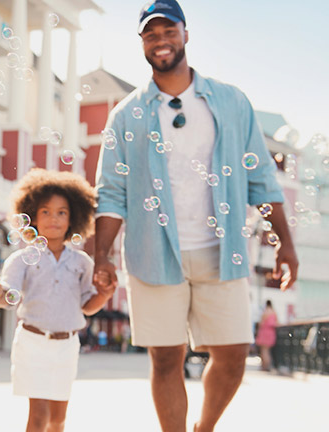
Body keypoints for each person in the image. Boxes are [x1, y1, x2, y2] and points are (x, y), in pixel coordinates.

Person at [94, 1, 299, 431]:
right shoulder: (125, 115)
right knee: (165, 357)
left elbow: (261, 177)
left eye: (169, 31)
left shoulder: (229, 101)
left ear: (186, 34)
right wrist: (101, 257)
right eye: (151, 34)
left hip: (220, 250)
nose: (161, 41)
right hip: (153, 253)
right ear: (142, 43)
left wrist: (286, 247)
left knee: (232, 353)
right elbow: (111, 194)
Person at [2, 169, 115, 432]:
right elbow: (9, 294)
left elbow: (88, 306)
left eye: (62, 212)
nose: (54, 218)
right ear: (31, 216)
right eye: (45, 212)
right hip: (32, 342)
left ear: (74, 218)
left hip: (66, 346)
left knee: (58, 419)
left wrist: (104, 295)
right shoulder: (21, 259)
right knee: (39, 417)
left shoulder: (81, 263)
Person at [255, 300, 278, 371]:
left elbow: (261, 323)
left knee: (264, 350)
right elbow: (277, 322)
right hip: (272, 332)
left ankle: (265, 366)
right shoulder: (274, 312)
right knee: (267, 350)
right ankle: (268, 365)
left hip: (264, 332)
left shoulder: (265, 312)